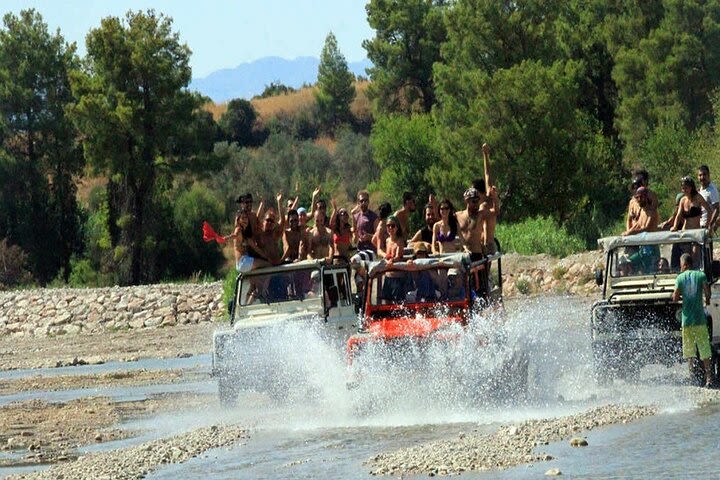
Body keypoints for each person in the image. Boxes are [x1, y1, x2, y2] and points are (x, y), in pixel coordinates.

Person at [672, 253, 713, 387]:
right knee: (704, 349)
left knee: (689, 350)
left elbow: (675, 298)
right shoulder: (701, 275)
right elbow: (707, 292)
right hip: (700, 319)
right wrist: (706, 300)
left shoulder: (680, 278)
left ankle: (691, 377)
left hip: (687, 320)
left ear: (684, 265)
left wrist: (675, 296)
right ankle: (708, 378)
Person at [457, 187, 497, 259]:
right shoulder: (458, 215)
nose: (476, 204)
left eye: (478, 201)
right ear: (467, 201)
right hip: (462, 254)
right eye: (474, 201)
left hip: (476, 254)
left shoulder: (480, 215)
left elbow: (495, 211)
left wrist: (495, 197)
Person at [697, 165, 719, 230]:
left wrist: (710, 225)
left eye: (704, 174)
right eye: (700, 175)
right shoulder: (701, 189)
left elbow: (717, 209)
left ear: (708, 175)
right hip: (700, 225)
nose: (702, 177)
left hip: (706, 227)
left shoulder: (712, 190)